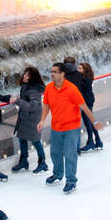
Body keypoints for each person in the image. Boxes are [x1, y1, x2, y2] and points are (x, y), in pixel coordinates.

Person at [38, 62, 99, 193]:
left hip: (71, 127)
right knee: (55, 153)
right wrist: (42, 120)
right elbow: (46, 105)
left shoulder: (72, 89)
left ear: (62, 74)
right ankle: (58, 174)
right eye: (51, 71)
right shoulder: (49, 88)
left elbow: (84, 106)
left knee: (70, 154)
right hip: (56, 127)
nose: (52, 74)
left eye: (54, 72)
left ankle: (71, 181)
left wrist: (95, 122)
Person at [10, 65, 48, 172]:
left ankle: (42, 162)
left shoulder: (33, 90)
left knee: (35, 140)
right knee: (22, 138)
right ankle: (24, 161)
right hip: (25, 118)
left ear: (32, 78)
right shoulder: (26, 86)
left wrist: (17, 101)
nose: (25, 76)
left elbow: (33, 106)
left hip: (32, 119)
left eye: (28, 75)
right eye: (25, 74)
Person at [77, 60, 103, 152]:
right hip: (88, 100)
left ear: (84, 70)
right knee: (90, 121)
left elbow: (80, 86)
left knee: (87, 121)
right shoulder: (85, 78)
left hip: (87, 101)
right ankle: (98, 140)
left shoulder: (85, 80)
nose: (77, 70)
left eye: (79, 68)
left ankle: (91, 141)